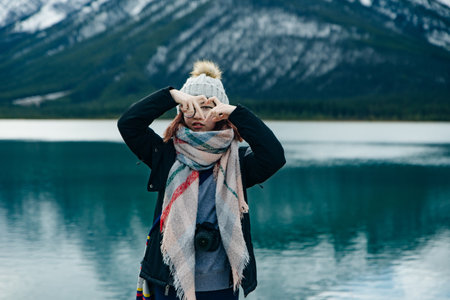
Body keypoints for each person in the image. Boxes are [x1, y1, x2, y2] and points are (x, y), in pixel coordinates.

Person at [117, 60, 285, 300]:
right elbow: (129, 124)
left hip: (221, 286)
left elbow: (274, 156)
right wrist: (171, 95)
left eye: (206, 107)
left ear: (220, 113)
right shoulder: (165, 154)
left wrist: (237, 113)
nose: (197, 114)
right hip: (169, 282)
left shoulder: (238, 162)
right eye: (191, 106)